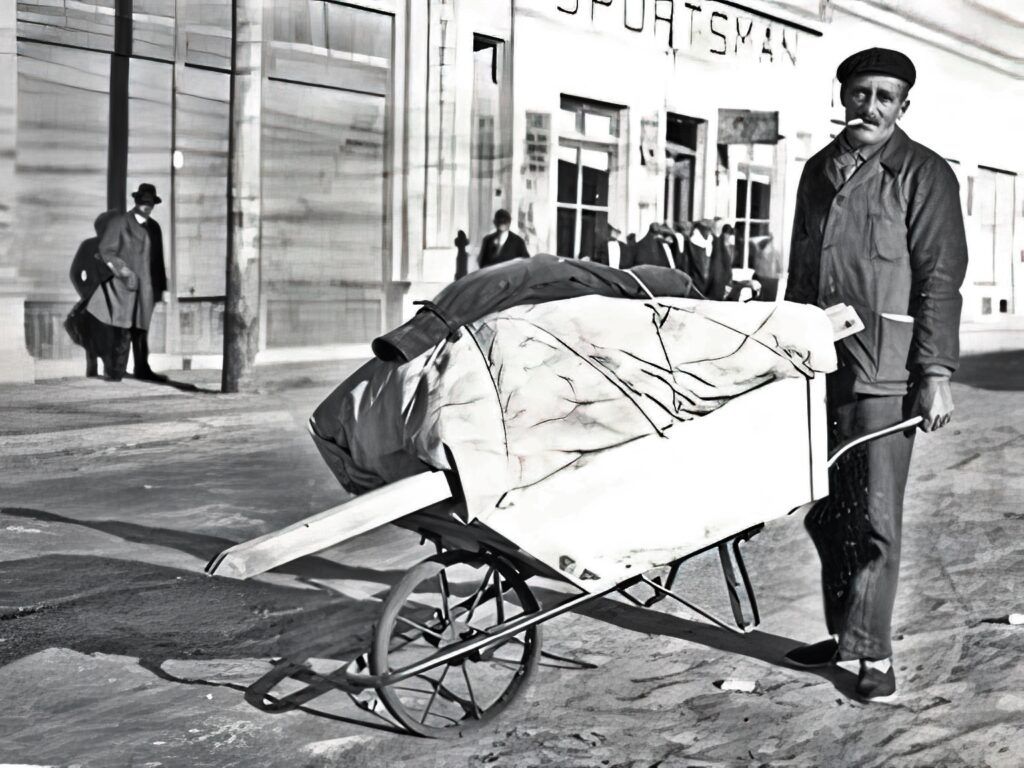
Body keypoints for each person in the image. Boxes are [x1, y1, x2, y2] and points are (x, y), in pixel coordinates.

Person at [783, 48, 967, 700]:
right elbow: (799, 274)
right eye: (861, 93)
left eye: (885, 97)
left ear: (903, 107)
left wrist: (936, 372)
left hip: (886, 372)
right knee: (828, 514)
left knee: (874, 517)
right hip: (820, 368)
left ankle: (875, 658)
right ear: (844, 97)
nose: (870, 107)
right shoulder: (816, 171)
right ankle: (848, 634)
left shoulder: (922, 174)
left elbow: (942, 280)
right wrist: (785, 349)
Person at [98, 183, 169, 382]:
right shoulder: (120, 223)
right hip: (124, 287)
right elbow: (106, 251)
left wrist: (162, 288)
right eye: (144, 201)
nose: (147, 206)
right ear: (136, 201)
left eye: (151, 203)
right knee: (122, 329)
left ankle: (142, 369)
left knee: (141, 330)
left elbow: (158, 259)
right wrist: (124, 272)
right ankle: (115, 370)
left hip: (148, 288)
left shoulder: (154, 227)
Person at [69, 210, 133, 380]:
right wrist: (87, 294)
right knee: (96, 335)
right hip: (96, 300)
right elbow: (76, 273)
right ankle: (94, 370)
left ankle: (118, 370)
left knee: (122, 334)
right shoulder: (88, 246)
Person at [679, 220, 731, 300]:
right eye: (705, 230)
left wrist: (725, 284)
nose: (708, 232)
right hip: (695, 292)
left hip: (715, 292)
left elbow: (726, 267)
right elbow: (685, 268)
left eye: (709, 230)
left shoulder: (716, 244)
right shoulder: (690, 245)